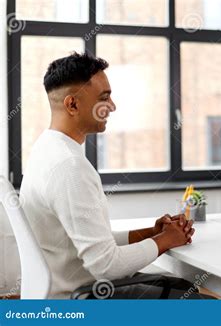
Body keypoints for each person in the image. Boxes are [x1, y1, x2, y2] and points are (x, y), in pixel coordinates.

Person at [19, 52, 209, 299]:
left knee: (185, 289)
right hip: (82, 299)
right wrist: (166, 240)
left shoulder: (46, 149)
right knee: (206, 303)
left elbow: (92, 243)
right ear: (72, 104)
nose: (112, 106)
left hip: (63, 291)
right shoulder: (70, 166)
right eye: (104, 98)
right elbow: (106, 265)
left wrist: (152, 233)